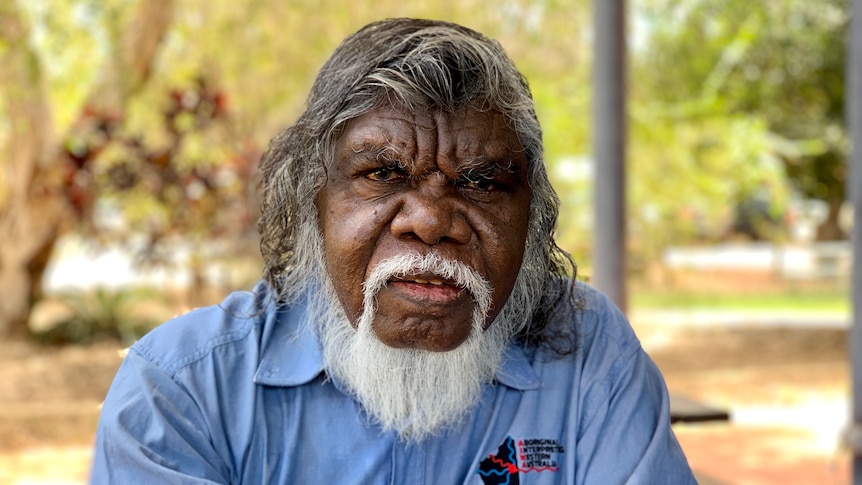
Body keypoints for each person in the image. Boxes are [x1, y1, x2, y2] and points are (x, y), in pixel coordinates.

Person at [90, 18, 695, 484]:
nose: (432, 223)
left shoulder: (590, 355)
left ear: (532, 220)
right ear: (311, 200)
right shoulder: (183, 387)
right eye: (382, 173)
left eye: (483, 182)